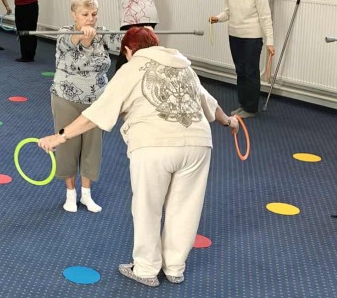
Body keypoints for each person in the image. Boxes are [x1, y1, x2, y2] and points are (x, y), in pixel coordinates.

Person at [39, 27, 239, 287]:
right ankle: (175, 267)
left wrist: (60, 136)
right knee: (186, 207)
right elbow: (210, 104)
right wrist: (230, 122)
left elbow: (97, 112)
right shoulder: (184, 67)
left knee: (148, 207)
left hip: (154, 143)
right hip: (198, 144)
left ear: (128, 50)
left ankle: (145, 269)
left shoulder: (130, 69)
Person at [49, 0, 121, 214]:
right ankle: (70, 194)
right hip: (66, 99)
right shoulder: (65, 33)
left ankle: (86, 195)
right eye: (85, 14)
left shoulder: (103, 33)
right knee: (68, 146)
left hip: (97, 102)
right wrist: (82, 36)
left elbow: (125, 44)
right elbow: (68, 44)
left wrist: (139, 32)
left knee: (92, 148)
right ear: (74, 15)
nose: (90, 19)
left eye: (94, 14)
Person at [209, 0, 274, 118]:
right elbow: (227, 12)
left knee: (251, 72)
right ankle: (243, 104)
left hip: (252, 37)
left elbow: (265, 17)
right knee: (240, 71)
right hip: (234, 35)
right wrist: (217, 18)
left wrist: (270, 41)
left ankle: (251, 109)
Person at [114, 0, 179, 69]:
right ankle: (119, 75)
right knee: (127, 54)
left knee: (147, 54)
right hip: (130, 26)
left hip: (148, 25)